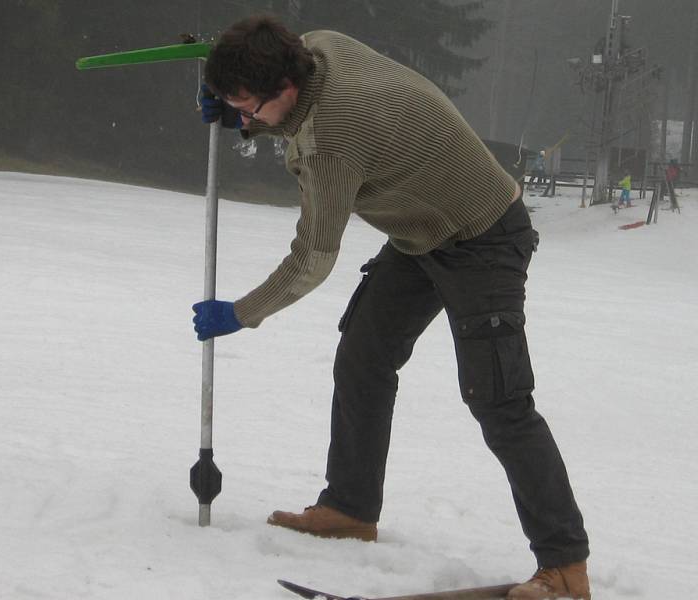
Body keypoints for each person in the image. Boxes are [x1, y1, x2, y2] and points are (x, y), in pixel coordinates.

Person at [192, 15, 590, 600]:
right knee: (364, 356)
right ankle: (350, 508)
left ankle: (564, 569)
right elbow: (299, 118)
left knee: (499, 400)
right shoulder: (319, 47)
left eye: (249, 106)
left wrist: (243, 312)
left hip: (484, 235)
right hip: (420, 233)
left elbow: (313, 257)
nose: (245, 118)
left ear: (285, 87)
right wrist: (242, 114)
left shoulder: (332, 140)